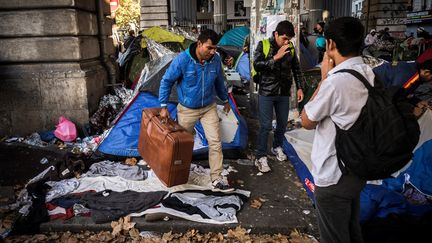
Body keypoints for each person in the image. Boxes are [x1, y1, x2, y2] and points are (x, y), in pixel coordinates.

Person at [301, 17, 372, 243]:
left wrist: (324, 78)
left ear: (330, 45)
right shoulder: (369, 74)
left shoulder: (335, 83)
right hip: (358, 168)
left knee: (334, 236)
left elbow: (306, 120)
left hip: (334, 174)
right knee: (351, 229)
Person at [158, 29, 234, 192]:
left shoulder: (215, 60)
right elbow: (166, 81)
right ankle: (175, 176)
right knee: (181, 146)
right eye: (209, 48)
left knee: (215, 142)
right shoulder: (182, 60)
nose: (213, 52)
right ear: (199, 44)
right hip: (187, 110)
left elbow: (219, 81)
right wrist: (163, 107)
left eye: (215, 48)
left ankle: (217, 178)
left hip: (208, 107)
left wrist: (226, 100)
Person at [253, 20, 304, 173]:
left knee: (282, 124)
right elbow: (257, 65)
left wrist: (300, 87)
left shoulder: (291, 48)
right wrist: (275, 57)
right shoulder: (264, 45)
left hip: (284, 92)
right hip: (267, 92)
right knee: (265, 125)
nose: (286, 42)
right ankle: (260, 156)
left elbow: (296, 68)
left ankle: (276, 147)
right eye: (284, 38)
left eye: (289, 39)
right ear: (276, 34)